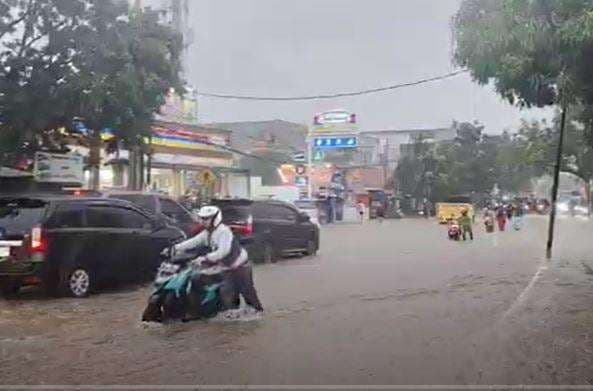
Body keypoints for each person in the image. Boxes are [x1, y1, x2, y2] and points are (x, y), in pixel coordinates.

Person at [172, 205, 264, 312]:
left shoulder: (224, 231)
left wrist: (205, 258)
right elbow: (193, 242)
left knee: (247, 294)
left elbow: (222, 252)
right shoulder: (208, 233)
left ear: (215, 218)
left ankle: (257, 314)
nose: (203, 221)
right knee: (225, 294)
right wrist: (174, 248)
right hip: (225, 266)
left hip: (240, 266)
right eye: (202, 218)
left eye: (207, 218)